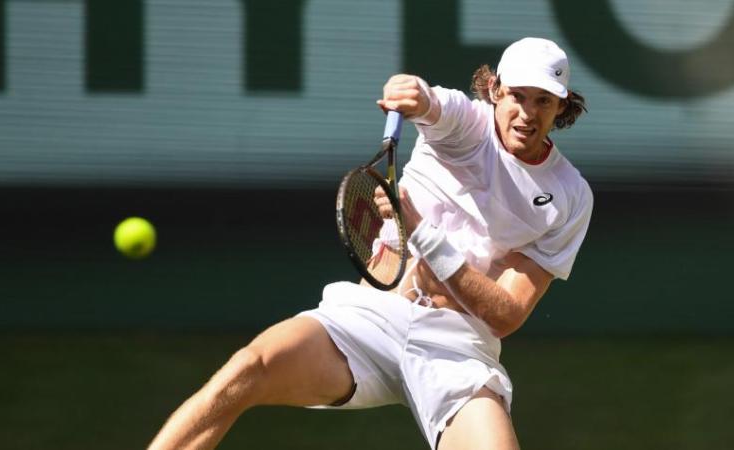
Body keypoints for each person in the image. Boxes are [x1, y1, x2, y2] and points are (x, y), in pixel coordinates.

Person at [148, 37, 592, 450]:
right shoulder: (466, 124)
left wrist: (420, 231)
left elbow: (507, 314)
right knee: (247, 370)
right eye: (517, 96)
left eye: (543, 101)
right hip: (369, 318)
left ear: (561, 106)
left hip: (456, 348)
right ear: (495, 89)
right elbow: (430, 102)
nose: (528, 114)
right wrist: (411, 92)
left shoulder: (569, 195)